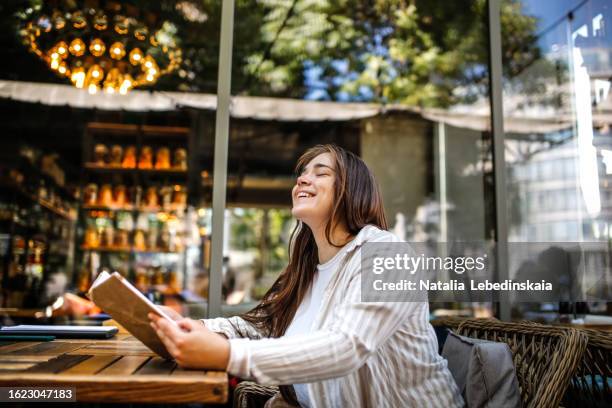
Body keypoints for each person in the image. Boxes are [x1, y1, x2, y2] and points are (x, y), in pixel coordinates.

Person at [149, 144, 463, 407]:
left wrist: (229, 355)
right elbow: (261, 325)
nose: (302, 180)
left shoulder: (387, 254)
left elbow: (347, 345)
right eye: (301, 175)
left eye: (321, 173)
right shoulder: (306, 270)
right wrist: (191, 325)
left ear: (352, 190)